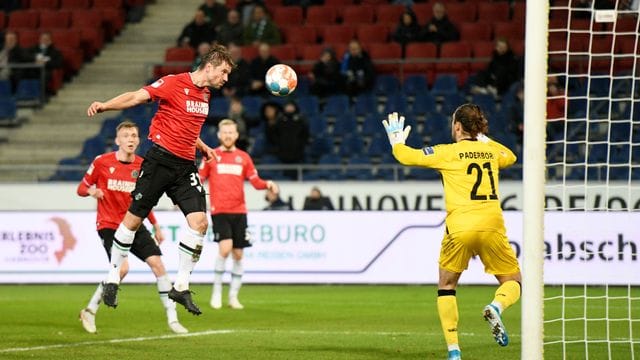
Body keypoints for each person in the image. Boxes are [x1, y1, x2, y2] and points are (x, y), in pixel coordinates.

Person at [86, 44, 235, 316]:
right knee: (132, 220)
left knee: (200, 222)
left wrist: (201, 145)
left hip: (185, 166)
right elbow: (135, 96)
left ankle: (181, 285)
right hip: (158, 162)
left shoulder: (205, 96)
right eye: (224, 72)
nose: (226, 79)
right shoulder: (172, 83)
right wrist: (106, 105)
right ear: (210, 66)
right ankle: (111, 277)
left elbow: (187, 126)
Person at [382, 107, 521, 360]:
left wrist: (397, 142)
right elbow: (510, 156)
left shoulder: (447, 152)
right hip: (492, 224)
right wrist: (484, 139)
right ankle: (496, 306)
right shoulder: (491, 152)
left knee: (447, 286)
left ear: (457, 127)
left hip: (459, 227)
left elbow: (407, 157)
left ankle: (454, 351)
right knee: (514, 281)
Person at [77, 121, 188, 335]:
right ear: (117, 140)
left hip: (134, 223)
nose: (130, 139)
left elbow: (144, 201)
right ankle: (90, 310)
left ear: (138, 140)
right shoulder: (101, 162)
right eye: (126, 135)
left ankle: (173, 319)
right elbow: (80, 188)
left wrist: (155, 225)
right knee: (123, 269)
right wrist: (91, 191)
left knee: (158, 265)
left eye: (134, 135)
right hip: (109, 225)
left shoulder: (142, 166)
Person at [197, 119, 279, 310]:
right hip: (220, 210)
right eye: (224, 132)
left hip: (240, 211)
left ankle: (233, 296)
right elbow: (200, 178)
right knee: (225, 249)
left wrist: (268, 184)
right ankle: (216, 293)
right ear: (219, 135)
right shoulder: (211, 155)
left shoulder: (244, 157)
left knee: (238, 254)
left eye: (231, 132)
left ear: (236, 135)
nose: (227, 135)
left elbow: (255, 181)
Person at [265, 101, 309, 179]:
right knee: (283, 175)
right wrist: (278, 146)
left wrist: (300, 146)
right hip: (282, 153)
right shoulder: (279, 121)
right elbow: (273, 135)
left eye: (291, 106)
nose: (289, 108)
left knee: (295, 175)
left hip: (297, 153)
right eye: (287, 106)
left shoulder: (301, 121)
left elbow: (305, 136)